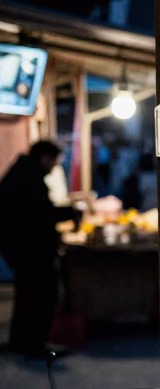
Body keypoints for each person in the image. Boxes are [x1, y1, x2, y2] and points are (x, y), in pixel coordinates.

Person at [0, 140, 78, 358]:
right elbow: (41, 214)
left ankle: (22, 341)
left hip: (19, 247)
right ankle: (35, 344)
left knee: (27, 294)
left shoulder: (21, 172)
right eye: (54, 161)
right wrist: (70, 212)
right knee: (40, 295)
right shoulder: (29, 178)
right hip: (30, 249)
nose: (55, 167)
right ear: (45, 158)